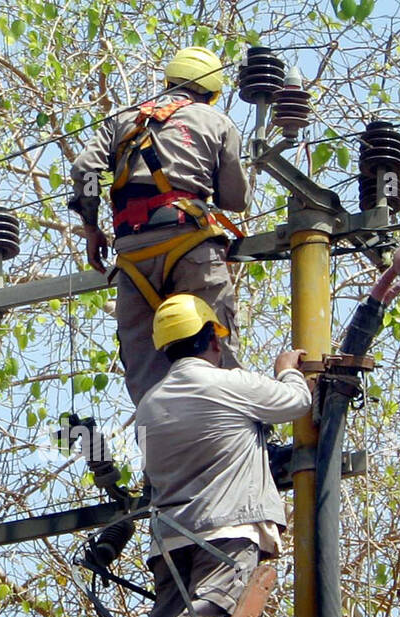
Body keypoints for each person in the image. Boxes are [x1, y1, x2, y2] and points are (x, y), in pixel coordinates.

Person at [100, 295, 311, 617]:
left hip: (173, 543)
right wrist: (288, 370)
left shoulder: (149, 406)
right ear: (214, 338)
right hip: (228, 536)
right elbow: (296, 403)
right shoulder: (225, 385)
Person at [69, 46, 250, 406]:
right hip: (190, 246)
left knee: (145, 370)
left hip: (134, 257)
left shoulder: (124, 119)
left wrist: (91, 227)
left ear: (168, 81)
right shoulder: (215, 121)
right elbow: (236, 199)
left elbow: (85, 172)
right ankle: (235, 434)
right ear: (211, 92)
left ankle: (159, 449)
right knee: (217, 343)